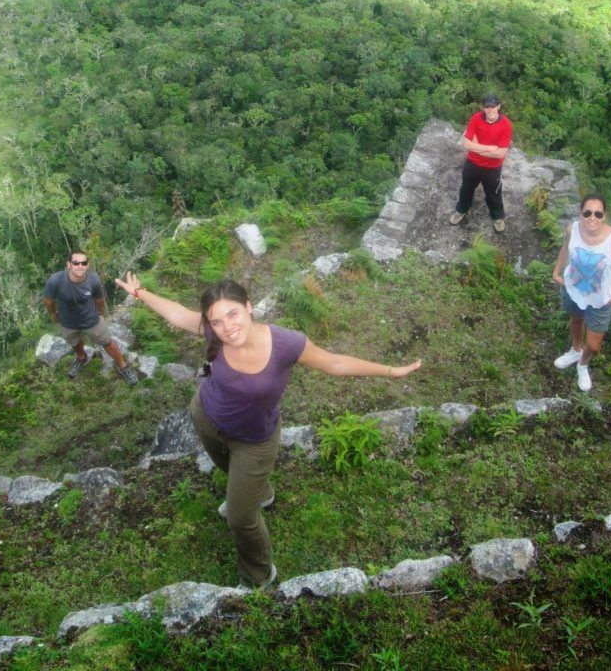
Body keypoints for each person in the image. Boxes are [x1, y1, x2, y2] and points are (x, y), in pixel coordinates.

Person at [114, 273, 421, 588]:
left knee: (240, 519)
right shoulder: (213, 333)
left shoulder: (285, 344)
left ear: (249, 307)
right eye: (216, 321)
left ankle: (258, 576)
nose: (227, 327)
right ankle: (259, 494)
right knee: (226, 468)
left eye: (233, 314)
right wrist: (139, 293)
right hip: (206, 416)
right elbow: (177, 314)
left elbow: (335, 363)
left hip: (253, 441)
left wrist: (389, 371)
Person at [552, 195, 611, 392]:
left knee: (594, 346)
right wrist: (556, 271)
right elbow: (565, 248)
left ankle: (583, 364)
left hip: (601, 299)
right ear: (581, 213)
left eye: (598, 213)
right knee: (576, 319)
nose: (592, 217)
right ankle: (575, 350)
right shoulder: (573, 229)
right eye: (587, 213)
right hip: (574, 290)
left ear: (605, 215)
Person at [43, 250, 138, 385]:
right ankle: (81, 358)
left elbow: (99, 299)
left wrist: (100, 314)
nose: (80, 266)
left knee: (107, 342)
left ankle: (123, 366)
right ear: (68, 264)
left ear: (87, 265)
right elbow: (48, 301)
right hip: (67, 321)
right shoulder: (56, 280)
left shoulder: (93, 279)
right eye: (76, 263)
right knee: (75, 342)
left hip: (90, 319)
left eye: (84, 263)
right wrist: (53, 314)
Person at [449, 93, 512, 232]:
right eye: (487, 107)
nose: (490, 110)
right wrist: (489, 148)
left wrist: (477, 148)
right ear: (483, 108)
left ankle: (497, 217)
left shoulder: (506, 125)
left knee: (493, 193)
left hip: (493, 167)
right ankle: (461, 210)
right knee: (466, 188)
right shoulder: (476, 118)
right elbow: (467, 143)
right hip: (473, 163)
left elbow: (501, 153)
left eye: (493, 107)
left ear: (498, 107)